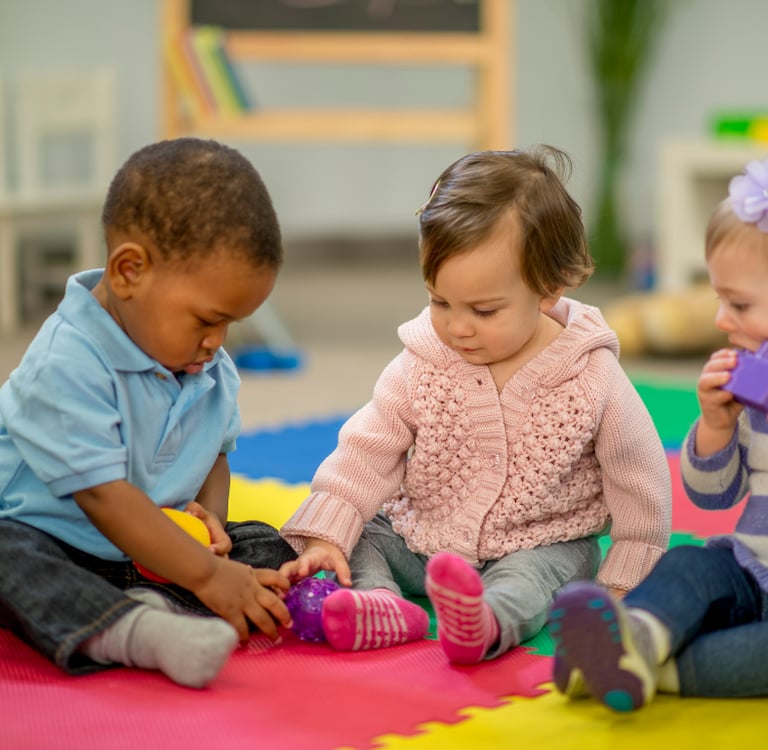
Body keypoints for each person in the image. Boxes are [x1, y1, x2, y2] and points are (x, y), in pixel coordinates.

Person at [279, 145, 671, 664]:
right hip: (422, 537)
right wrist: (327, 536)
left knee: (536, 580)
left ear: (548, 289)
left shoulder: (591, 376)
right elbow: (366, 451)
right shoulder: (422, 362)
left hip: (539, 543)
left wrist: (627, 574)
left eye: (484, 311)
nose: (457, 327)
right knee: (360, 535)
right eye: (439, 301)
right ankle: (379, 604)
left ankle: (486, 623)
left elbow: (638, 477)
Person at [0, 137, 298, 689]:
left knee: (273, 543)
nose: (218, 341)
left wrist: (211, 530)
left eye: (230, 324)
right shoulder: (65, 362)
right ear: (129, 271)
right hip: (54, 542)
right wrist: (206, 574)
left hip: (156, 552)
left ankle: (316, 603)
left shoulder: (206, 365)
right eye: (206, 319)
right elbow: (101, 496)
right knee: (8, 559)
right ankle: (133, 629)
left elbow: (214, 455)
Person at [548, 157, 768, 712]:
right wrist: (717, 425)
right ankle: (638, 633)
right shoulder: (750, 389)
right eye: (718, 299)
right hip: (748, 568)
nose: (721, 320)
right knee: (687, 565)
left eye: (739, 304)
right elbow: (712, 497)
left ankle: (646, 669)